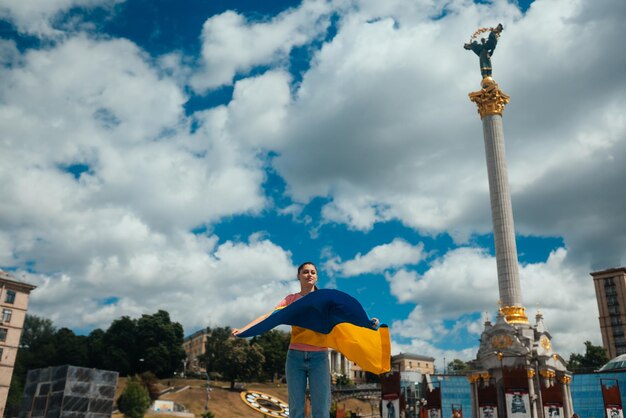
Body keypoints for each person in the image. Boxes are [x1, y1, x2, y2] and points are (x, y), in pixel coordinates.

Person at [233, 262, 381, 418]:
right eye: (305, 272)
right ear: (299, 276)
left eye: (312, 272)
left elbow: (347, 315)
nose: (309, 274)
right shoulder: (291, 299)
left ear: (316, 277)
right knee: (296, 409)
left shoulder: (324, 299)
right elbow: (269, 316)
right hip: (295, 357)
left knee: (321, 408)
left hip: (319, 358)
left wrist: (368, 323)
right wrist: (243, 330)